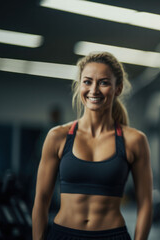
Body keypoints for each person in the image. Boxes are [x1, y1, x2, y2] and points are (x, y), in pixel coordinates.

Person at [32, 52, 153, 240]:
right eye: (87, 81)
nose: (94, 90)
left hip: (112, 236)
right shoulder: (57, 137)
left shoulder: (134, 140)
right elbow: (41, 200)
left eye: (103, 82)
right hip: (63, 235)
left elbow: (145, 204)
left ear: (118, 89)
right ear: (79, 85)